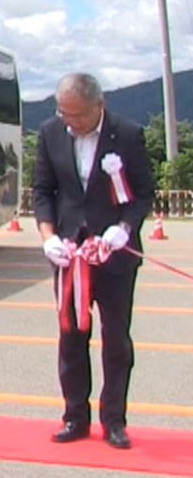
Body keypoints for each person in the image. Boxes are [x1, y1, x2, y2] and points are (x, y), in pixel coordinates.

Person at [32, 72, 155, 450]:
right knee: (71, 336)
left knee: (116, 338)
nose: (69, 122)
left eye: (77, 115)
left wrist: (124, 230)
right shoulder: (50, 133)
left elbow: (143, 194)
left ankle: (114, 420)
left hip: (114, 256)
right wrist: (48, 237)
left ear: (98, 105)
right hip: (71, 255)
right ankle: (74, 416)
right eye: (63, 113)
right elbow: (42, 191)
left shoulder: (128, 134)